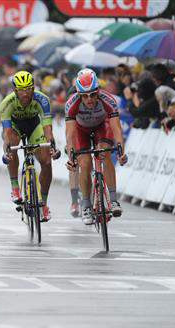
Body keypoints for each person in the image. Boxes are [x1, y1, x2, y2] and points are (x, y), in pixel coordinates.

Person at [65, 68, 128, 225]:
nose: (90, 99)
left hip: (102, 126)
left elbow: (116, 128)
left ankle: (113, 200)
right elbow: (70, 134)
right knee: (84, 163)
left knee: (104, 153)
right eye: (85, 96)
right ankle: (86, 205)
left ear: (98, 90)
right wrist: (71, 158)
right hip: (81, 131)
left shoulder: (108, 100)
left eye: (93, 94)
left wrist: (121, 152)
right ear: (78, 94)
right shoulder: (71, 104)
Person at [0, 71, 60, 222]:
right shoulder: (7, 103)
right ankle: (15, 187)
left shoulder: (43, 100)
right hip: (15, 127)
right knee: (12, 146)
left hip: (34, 125)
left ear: (33, 88)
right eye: (21, 90)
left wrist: (51, 145)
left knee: (46, 161)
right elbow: (6, 132)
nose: (25, 93)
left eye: (29, 89)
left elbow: (47, 128)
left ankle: (44, 204)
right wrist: (7, 148)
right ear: (15, 90)